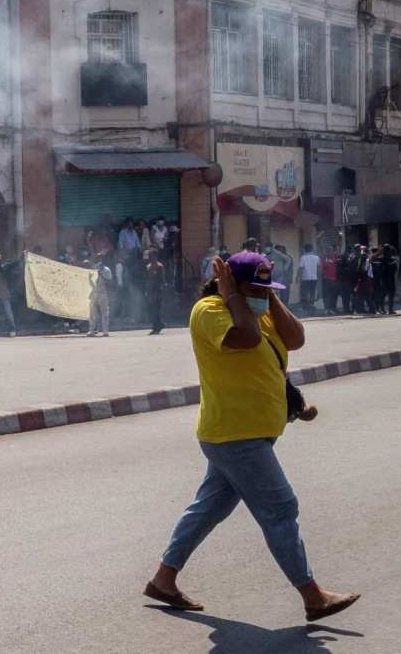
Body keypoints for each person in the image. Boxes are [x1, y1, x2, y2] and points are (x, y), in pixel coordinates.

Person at [144, 251, 360, 622]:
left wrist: (270, 296)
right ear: (229, 283)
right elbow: (244, 339)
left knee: (210, 507)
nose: (262, 294)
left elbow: (294, 340)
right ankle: (312, 595)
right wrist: (230, 295)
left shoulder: (259, 311)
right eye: (256, 288)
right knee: (280, 507)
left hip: (250, 433)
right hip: (233, 434)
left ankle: (164, 579)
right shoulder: (211, 310)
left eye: (267, 287)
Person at [89, 256, 113, 337]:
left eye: (99, 260)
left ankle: (105, 331)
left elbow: (110, 281)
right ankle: (91, 331)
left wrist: (101, 275)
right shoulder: (93, 269)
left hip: (103, 293)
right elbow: (90, 281)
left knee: (105, 313)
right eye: (96, 260)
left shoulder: (106, 270)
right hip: (94, 294)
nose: (98, 262)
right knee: (92, 313)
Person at [145, 248, 168, 335]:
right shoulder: (148, 267)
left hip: (158, 291)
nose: (150, 258)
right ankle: (159, 325)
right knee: (152, 310)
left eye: (152, 256)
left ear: (156, 256)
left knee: (156, 310)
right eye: (149, 256)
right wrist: (147, 291)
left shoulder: (159, 266)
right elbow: (147, 280)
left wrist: (161, 292)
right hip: (150, 290)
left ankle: (156, 327)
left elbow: (162, 280)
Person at [297, 243, 320, 312]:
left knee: (305, 292)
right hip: (314, 278)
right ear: (312, 249)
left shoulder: (303, 257)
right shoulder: (317, 257)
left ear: (305, 249)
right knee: (312, 292)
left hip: (305, 278)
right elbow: (318, 268)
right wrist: (318, 277)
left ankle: (307, 306)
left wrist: (297, 277)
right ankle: (312, 305)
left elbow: (300, 268)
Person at [320, 248, 339, 315]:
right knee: (326, 295)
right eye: (327, 251)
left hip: (334, 280)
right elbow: (321, 269)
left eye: (330, 251)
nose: (329, 252)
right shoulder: (324, 258)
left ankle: (332, 309)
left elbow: (338, 266)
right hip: (326, 280)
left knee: (333, 295)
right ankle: (326, 309)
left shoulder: (335, 258)